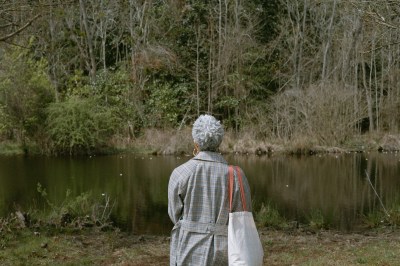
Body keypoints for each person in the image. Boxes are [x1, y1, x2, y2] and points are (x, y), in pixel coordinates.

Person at [168, 114, 252, 266]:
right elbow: (242, 217)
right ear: (219, 141)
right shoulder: (237, 175)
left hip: (188, 248)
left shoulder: (180, 173)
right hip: (228, 252)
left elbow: (174, 215)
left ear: (196, 143)